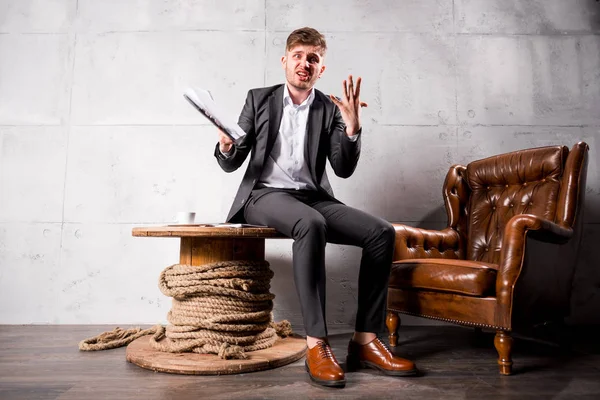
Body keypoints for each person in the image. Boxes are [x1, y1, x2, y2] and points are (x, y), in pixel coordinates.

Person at [214, 27, 417, 388]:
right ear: (285, 61)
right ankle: (316, 344)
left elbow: (342, 168)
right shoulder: (258, 99)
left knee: (381, 232)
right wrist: (228, 145)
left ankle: (366, 341)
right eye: (298, 56)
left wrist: (352, 130)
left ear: (321, 68)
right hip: (264, 196)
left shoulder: (330, 108)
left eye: (313, 58)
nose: (304, 64)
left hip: (313, 197)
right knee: (311, 224)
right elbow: (233, 161)